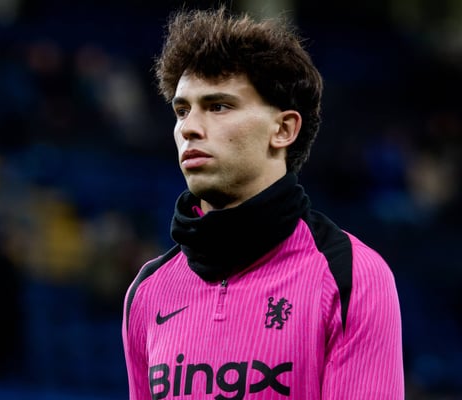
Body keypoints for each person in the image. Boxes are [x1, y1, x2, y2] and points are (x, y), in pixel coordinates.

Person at [122, 6, 404, 399]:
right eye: (182, 110)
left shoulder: (351, 276)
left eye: (218, 106)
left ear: (284, 129)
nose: (189, 128)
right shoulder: (147, 292)